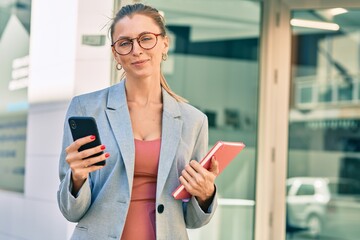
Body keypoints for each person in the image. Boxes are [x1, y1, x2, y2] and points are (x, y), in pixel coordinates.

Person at [57, 3, 219, 240]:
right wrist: (77, 179)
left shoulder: (193, 121)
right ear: (115, 54)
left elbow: (193, 220)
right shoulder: (86, 108)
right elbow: (71, 211)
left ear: (165, 43)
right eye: (125, 43)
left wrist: (206, 194)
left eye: (146, 38)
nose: (136, 50)